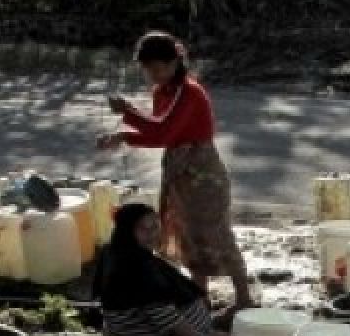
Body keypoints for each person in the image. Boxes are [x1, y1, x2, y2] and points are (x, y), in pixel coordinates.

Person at [97, 30, 254, 316]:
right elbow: (162, 134)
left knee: (216, 234)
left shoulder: (189, 92)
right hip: (179, 173)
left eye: (157, 68)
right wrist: (123, 135)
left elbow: (163, 131)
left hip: (204, 174)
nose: (153, 75)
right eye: (148, 70)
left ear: (173, 63)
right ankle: (201, 298)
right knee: (188, 236)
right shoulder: (162, 92)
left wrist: (127, 117)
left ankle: (244, 297)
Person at [94, 202, 235, 336]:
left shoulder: (116, 251)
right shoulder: (135, 268)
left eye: (155, 226)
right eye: (143, 229)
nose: (152, 234)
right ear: (127, 230)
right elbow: (165, 318)